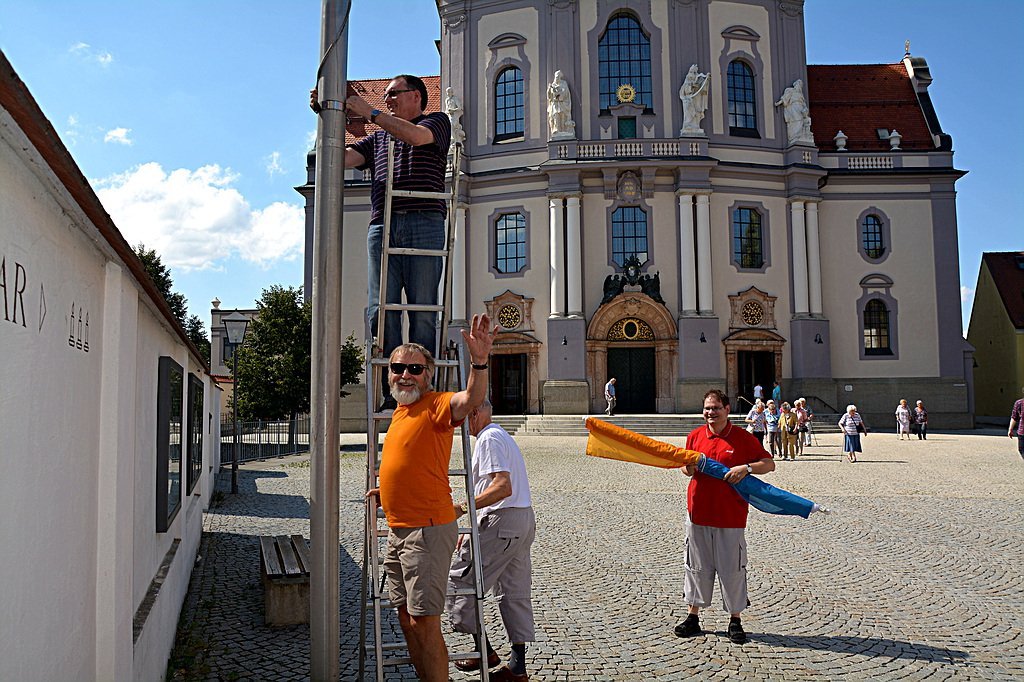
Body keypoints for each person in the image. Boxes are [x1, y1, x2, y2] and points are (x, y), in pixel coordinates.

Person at [367, 314, 496, 682]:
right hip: (398, 530)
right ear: (388, 372)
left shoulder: (437, 405)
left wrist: (480, 361)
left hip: (426, 531)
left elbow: (472, 398)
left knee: (424, 621)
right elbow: (411, 461)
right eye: (397, 368)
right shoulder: (400, 411)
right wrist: (388, 490)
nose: (405, 375)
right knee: (406, 618)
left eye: (415, 369)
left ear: (429, 376)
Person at [312, 74, 452, 409]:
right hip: (383, 223)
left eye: (394, 94)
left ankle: (419, 385)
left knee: (422, 309)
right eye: (385, 96)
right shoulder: (377, 140)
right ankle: (394, 387)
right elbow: (340, 158)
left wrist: (371, 112)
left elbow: (419, 138)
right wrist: (326, 117)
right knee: (381, 308)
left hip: (424, 221)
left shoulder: (437, 121)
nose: (388, 99)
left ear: (416, 97)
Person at [675, 389, 775, 644]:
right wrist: (689, 466)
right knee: (696, 567)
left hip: (731, 514)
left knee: (732, 569)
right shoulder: (695, 436)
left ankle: (735, 619)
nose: (710, 413)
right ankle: (693, 616)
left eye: (716, 408)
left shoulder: (741, 437)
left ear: (727, 410)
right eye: (707, 408)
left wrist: (747, 468)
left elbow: (768, 463)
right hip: (698, 512)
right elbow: (687, 471)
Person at [448, 400, 536, 682]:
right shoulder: (501, 435)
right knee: (514, 591)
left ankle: (484, 651)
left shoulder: (488, 438)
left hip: (502, 521)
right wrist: (471, 526)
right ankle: (517, 667)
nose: (463, 425)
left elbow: (501, 486)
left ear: (474, 413)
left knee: (462, 581)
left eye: (464, 417)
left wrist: (462, 508)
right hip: (521, 518)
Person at [774, 79, 812, 144]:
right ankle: (794, 136)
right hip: (794, 107)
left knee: (801, 120)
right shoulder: (791, 91)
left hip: (801, 108)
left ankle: (799, 135)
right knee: (796, 120)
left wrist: (805, 109)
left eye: (801, 85)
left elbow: (804, 103)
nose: (800, 86)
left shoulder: (801, 94)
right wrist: (778, 103)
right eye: (799, 84)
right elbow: (785, 98)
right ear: (796, 85)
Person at [678, 64, 710, 135]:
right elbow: (684, 89)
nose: (694, 72)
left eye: (695, 71)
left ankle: (696, 126)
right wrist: (691, 85)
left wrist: (707, 80)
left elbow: (703, 88)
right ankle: (689, 125)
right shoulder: (688, 78)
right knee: (689, 110)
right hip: (689, 97)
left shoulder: (698, 76)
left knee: (697, 110)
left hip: (697, 96)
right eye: (693, 70)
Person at [546, 70, 575, 139]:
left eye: (558, 77)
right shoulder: (553, 85)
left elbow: (566, 93)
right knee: (556, 115)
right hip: (555, 104)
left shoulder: (564, 83)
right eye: (556, 77)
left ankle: (563, 130)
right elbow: (549, 96)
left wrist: (560, 94)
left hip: (562, 103)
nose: (557, 78)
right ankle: (557, 129)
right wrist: (550, 90)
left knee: (562, 115)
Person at [1009, 387, 1024, 459]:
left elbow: (1014, 417)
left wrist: (1010, 429)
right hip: (1022, 433)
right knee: (1022, 450)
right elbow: (1014, 417)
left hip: (1022, 432)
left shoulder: (1019, 403)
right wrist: (1010, 429)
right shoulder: (1019, 403)